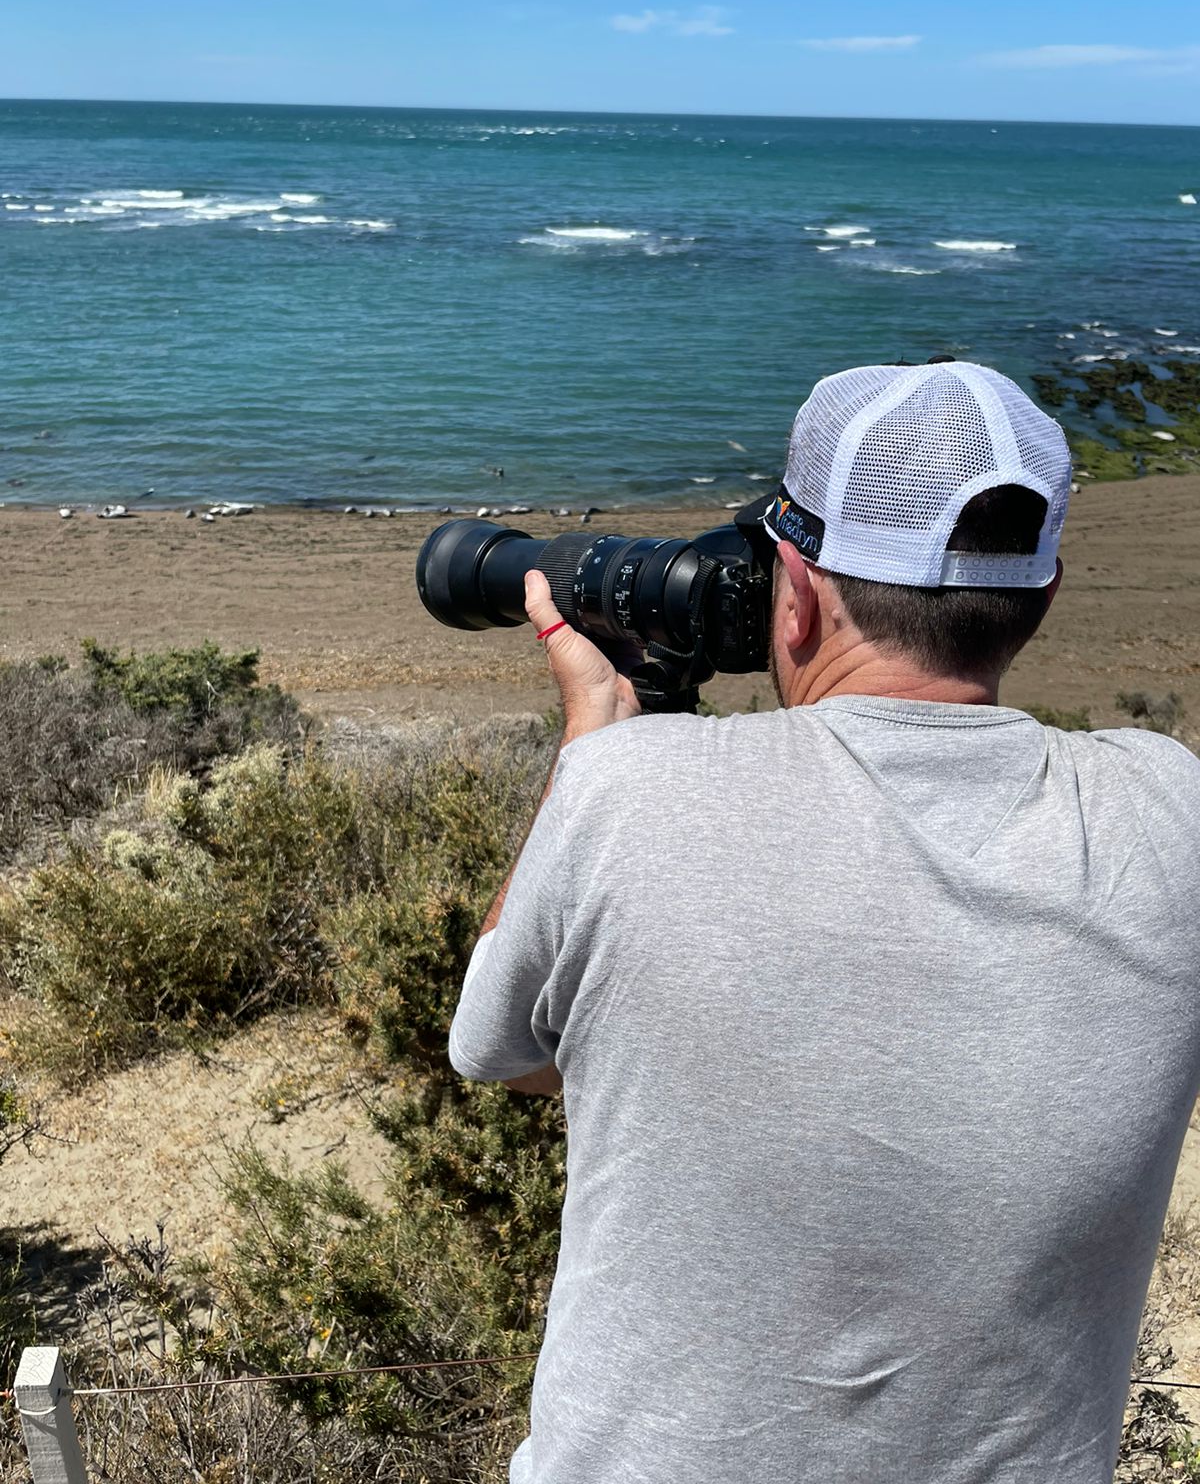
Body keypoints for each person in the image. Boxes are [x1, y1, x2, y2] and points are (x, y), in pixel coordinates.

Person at [448, 360, 1200, 1484]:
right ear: (1040, 602)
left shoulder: (633, 794)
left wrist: (597, 738)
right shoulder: (1169, 811)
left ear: (793, 592)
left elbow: (498, 1051)